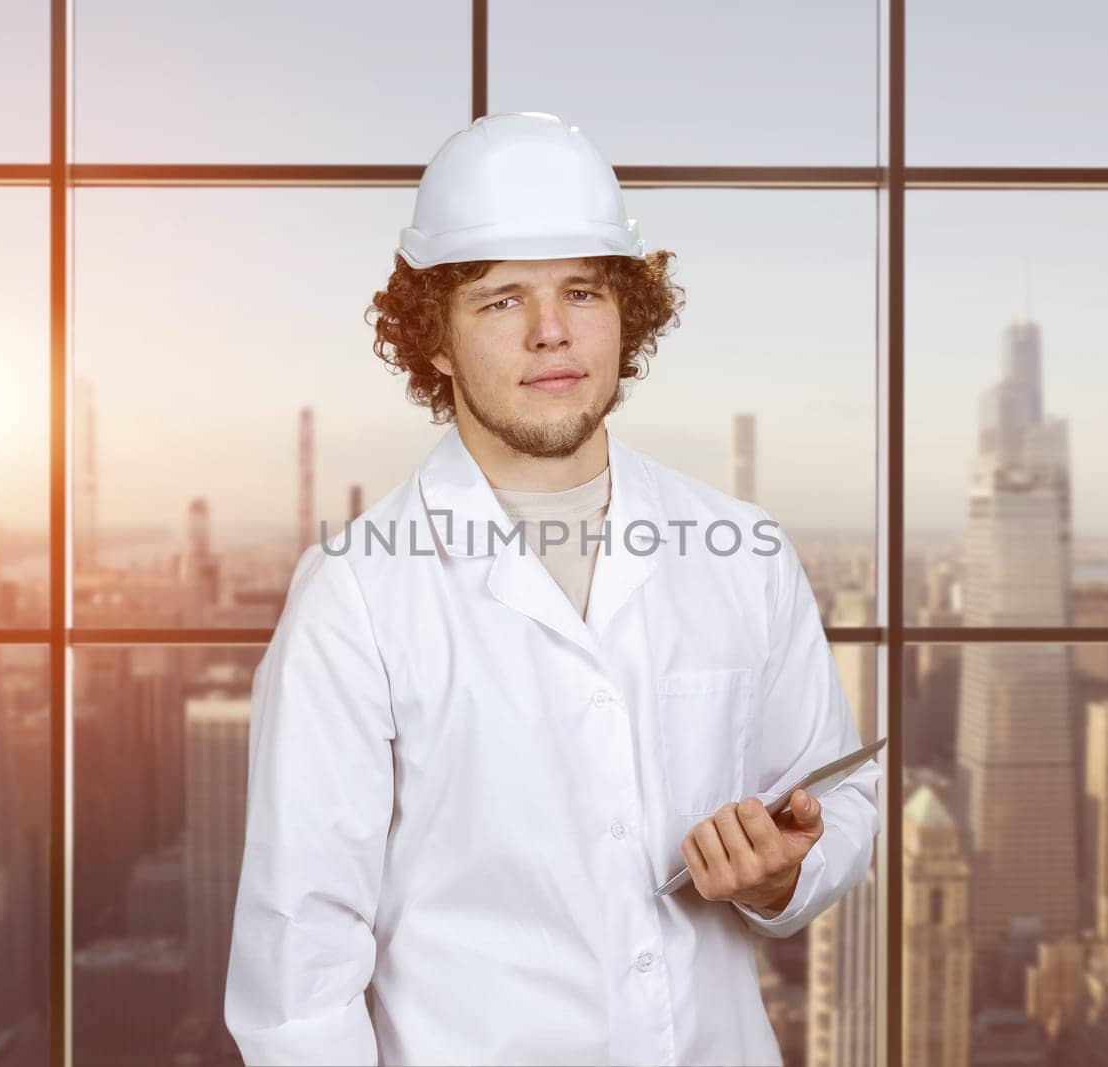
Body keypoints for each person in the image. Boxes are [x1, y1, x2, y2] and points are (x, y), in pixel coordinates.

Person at [223, 111, 881, 1066]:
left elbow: (842, 798)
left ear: (628, 314)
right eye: (500, 300)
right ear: (434, 340)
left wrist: (783, 876)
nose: (552, 332)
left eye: (582, 289)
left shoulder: (742, 549)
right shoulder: (358, 589)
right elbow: (300, 973)